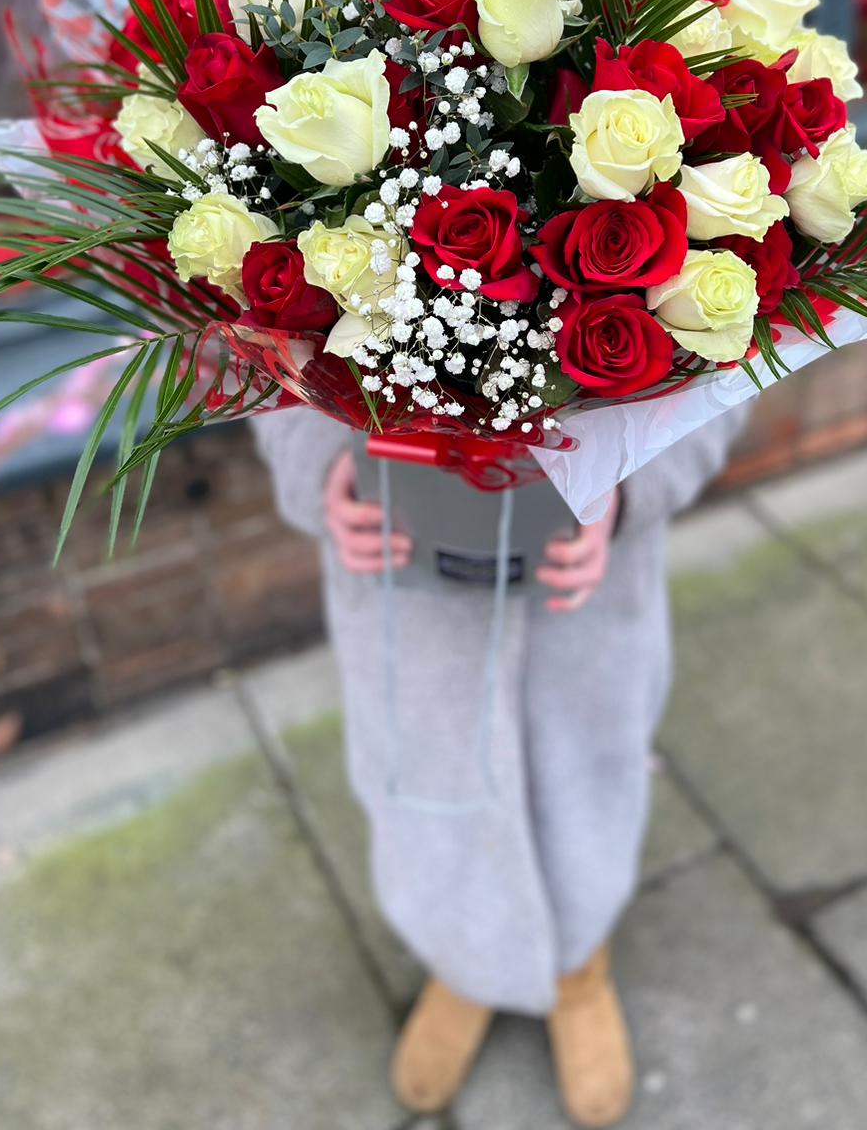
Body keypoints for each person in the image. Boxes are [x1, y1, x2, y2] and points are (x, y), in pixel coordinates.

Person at [253, 405, 743, 1128]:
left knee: (590, 768)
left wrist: (633, 488)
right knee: (422, 777)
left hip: (587, 583)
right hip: (405, 565)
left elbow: (736, 367)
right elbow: (258, 355)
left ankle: (579, 964)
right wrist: (325, 471)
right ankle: (463, 960)